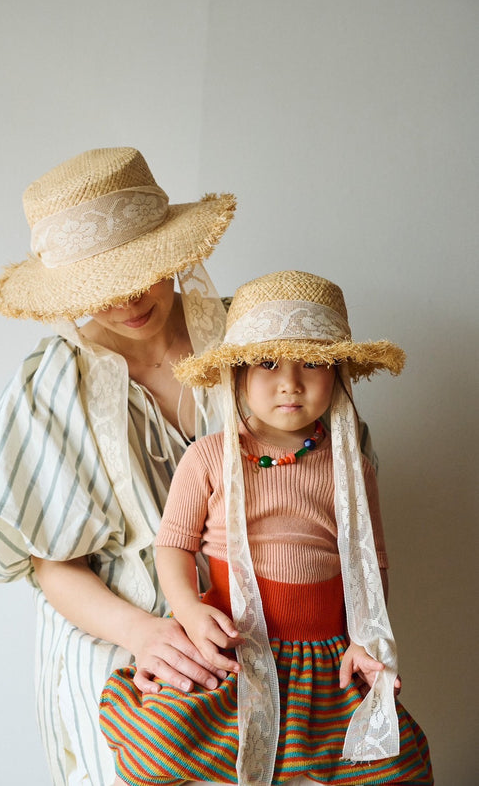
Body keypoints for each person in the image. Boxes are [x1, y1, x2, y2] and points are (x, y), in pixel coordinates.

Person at [0, 146, 237, 786]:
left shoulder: (250, 341)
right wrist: (145, 634)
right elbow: (52, 561)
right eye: (98, 287)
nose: (126, 300)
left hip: (264, 631)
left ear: (168, 249)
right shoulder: (52, 388)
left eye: (139, 270)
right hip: (124, 647)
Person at [100, 270, 433, 786]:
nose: (290, 382)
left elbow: (369, 566)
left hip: (322, 655)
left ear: (339, 374)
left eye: (313, 364)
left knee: (392, 763)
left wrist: (366, 636)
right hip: (235, 644)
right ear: (237, 375)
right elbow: (173, 547)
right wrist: (188, 611)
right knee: (165, 744)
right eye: (269, 363)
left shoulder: (353, 468)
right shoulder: (208, 458)